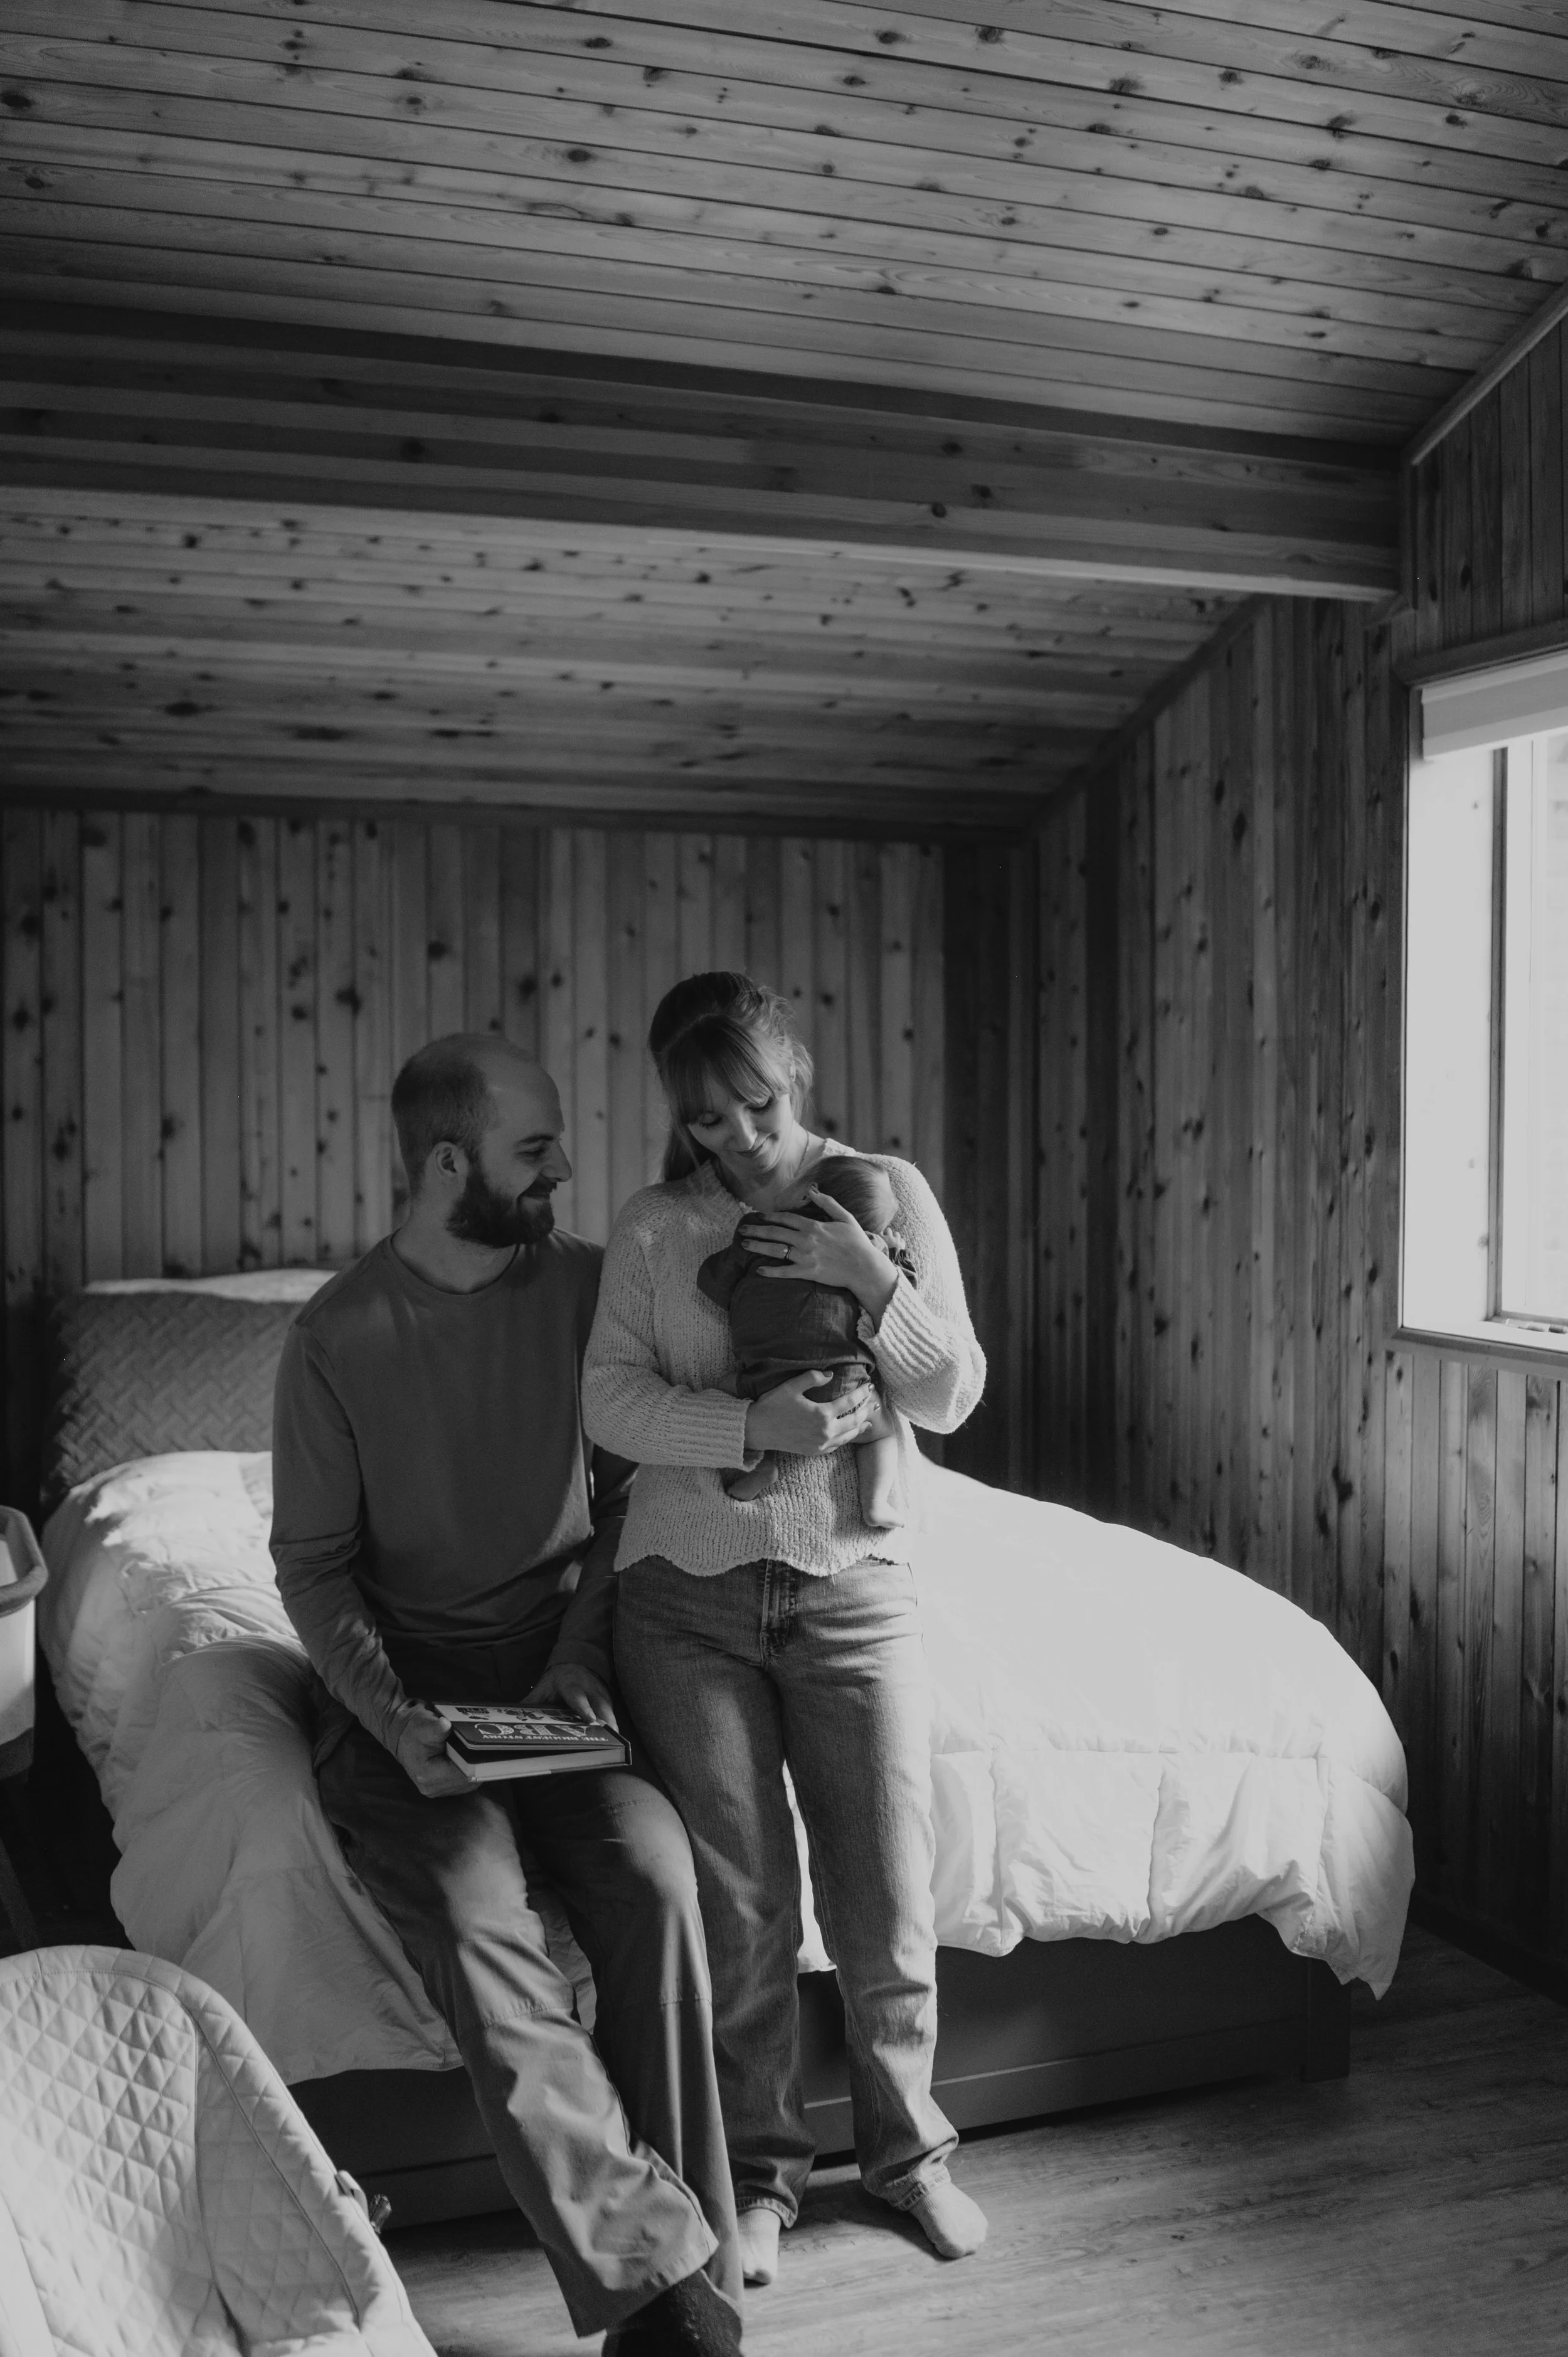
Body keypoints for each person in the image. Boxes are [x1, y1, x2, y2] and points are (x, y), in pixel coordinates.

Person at [270, 1034, 743, 2357]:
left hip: (559, 1686)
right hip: (404, 1711)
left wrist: (581, 1666)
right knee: (483, 1920)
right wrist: (394, 1717)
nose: (564, 1170)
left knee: (654, 1873)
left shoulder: (592, 1292)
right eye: (535, 1149)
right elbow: (310, 1571)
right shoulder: (333, 1337)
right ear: (445, 1163)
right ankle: (659, 2289)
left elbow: (625, 1499)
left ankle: (692, 2261)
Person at [581, 973, 989, 2294]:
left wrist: (872, 1282)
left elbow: (950, 1396)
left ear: (794, 1075)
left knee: (881, 1883)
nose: (740, 1139)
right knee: (742, 1901)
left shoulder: (885, 1190)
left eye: (756, 1105)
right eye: (708, 1121)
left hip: (849, 1581)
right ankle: (760, 2176)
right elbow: (613, 1405)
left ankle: (909, 2155)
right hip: (684, 1595)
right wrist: (751, 1428)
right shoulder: (656, 1228)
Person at [696, 1155, 914, 1527]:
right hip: (845, 1385)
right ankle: (876, 1502)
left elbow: (714, 1285)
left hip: (763, 1377)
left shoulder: (758, 1232)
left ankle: (762, 1465)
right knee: (880, 1433)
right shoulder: (873, 1254)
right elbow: (904, 1297)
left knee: (725, 1400)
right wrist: (896, 1255)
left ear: (805, 1195)